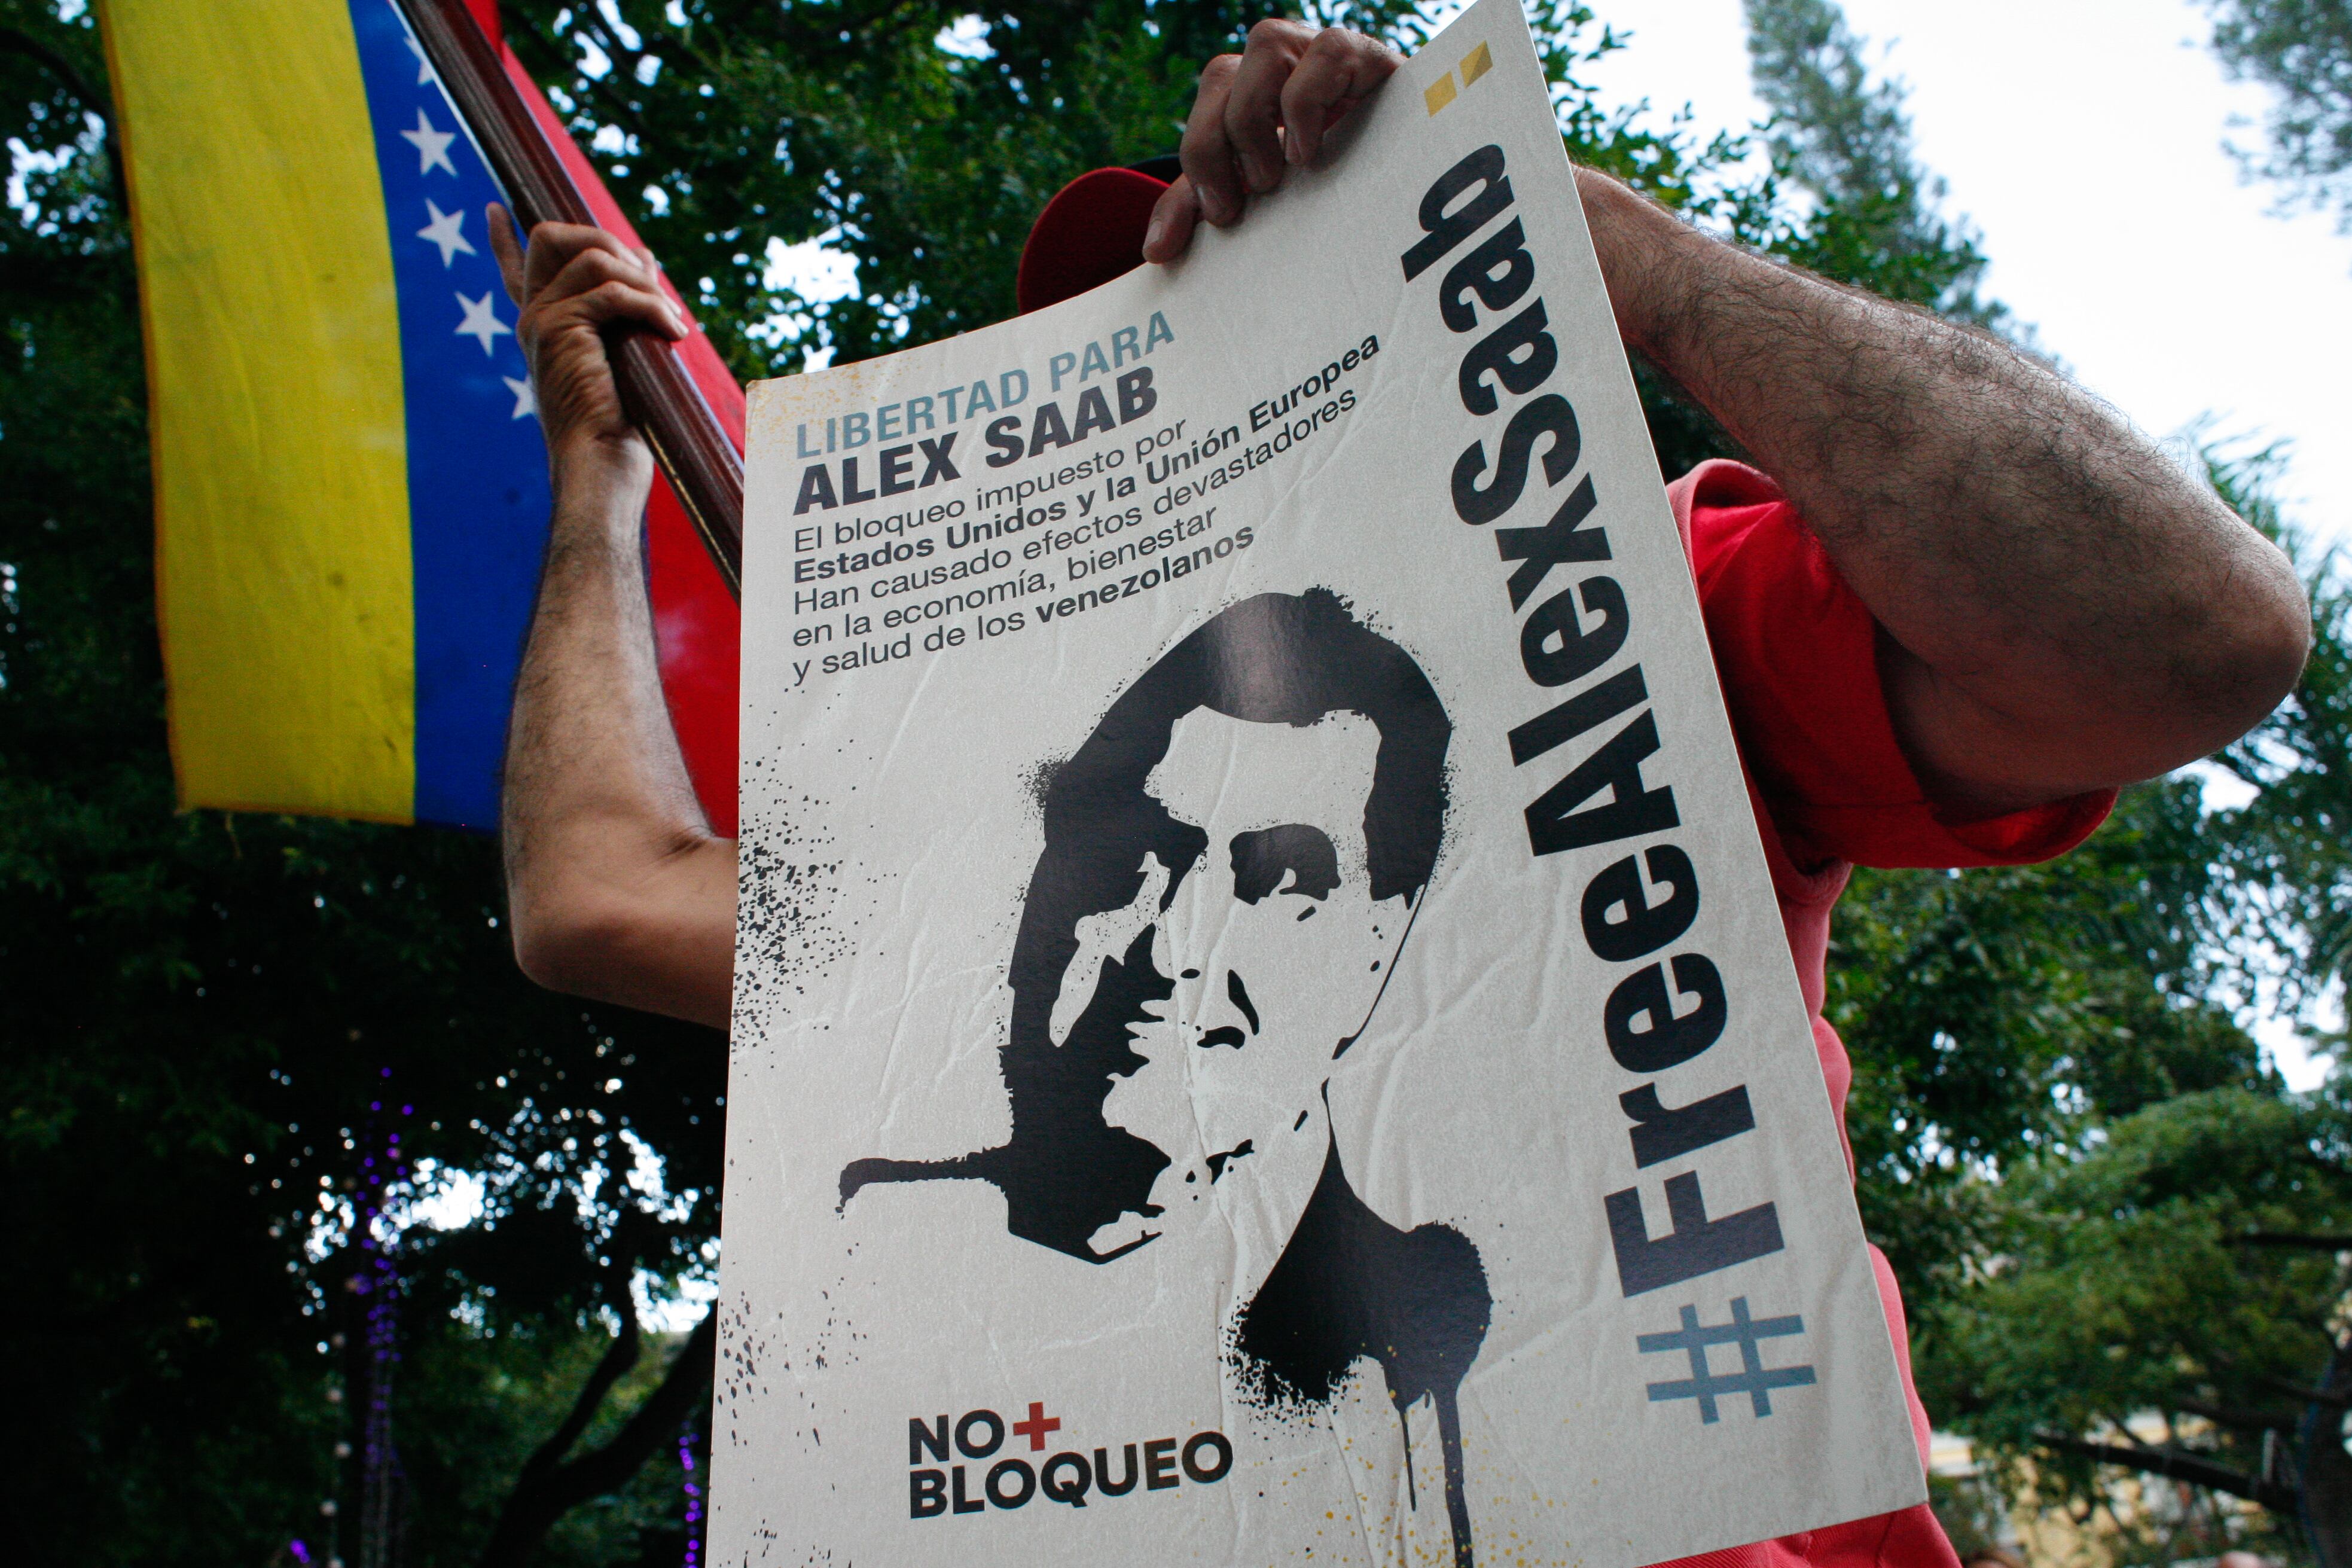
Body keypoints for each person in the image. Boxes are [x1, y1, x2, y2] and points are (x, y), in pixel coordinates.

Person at [487, 19, 2313, 1567]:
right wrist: (595, 488)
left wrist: (1615, 249)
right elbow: (595, 897)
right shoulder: (1016, 851)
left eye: (1283, 876)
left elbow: (2188, 637)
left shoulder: (1637, 622)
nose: (1176, 929)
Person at [835, 587, 1487, 1563]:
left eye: (1279, 881)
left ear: (1377, 948)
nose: (1177, 939)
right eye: (1134, 852)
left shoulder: (1421, 1360)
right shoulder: (873, 1247)